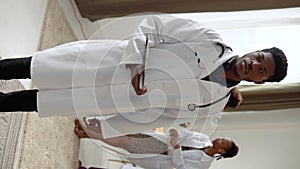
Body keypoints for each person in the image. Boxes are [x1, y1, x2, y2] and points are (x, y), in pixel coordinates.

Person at [0, 14, 286, 136]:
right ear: (255, 50)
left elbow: (161, 117)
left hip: (114, 99)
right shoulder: (210, 40)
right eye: (258, 58)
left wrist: (108, 127)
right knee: (37, 65)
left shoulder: (212, 105)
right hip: (112, 61)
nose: (253, 65)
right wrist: (137, 62)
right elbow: (154, 24)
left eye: (261, 71)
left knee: (44, 102)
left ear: (260, 82)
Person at [74, 118, 239, 169]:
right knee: (124, 135)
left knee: (122, 142)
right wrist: (177, 133)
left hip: (159, 156)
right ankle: (87, 133)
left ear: (222, 151)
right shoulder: (204, 138)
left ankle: (87, 132)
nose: (219, 138)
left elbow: (179, 166)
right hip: (161, 141)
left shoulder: (203, 165)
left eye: (222, 141)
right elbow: (186, 133)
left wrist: (176, 149)